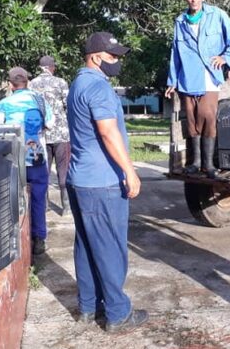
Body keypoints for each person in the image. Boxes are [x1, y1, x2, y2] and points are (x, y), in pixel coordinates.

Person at [66, 32, 148, 333]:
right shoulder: (98, 87)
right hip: (102, 181)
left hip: (79, 179)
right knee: (111, 247)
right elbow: (107, 132)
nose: (117, 61)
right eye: (112, 56)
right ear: (95, 56)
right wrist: (129, 169)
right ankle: (118, 314)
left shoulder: (78, 84)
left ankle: (88, 307)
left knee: (87, 246)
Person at [164, 0, 230, 178]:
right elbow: (175, 52)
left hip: (209, 75)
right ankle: (195, 162)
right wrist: (172, 80)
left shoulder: (216, 15)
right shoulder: (180, 21)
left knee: (207, 116)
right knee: (191, 119)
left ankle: (208, 165)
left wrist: (225, 58)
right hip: (187, 78)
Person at [0, 66, 53, 256]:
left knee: (11, 198)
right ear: (27, 81)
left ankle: (13, 239)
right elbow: (50, 124)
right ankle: (39, 239)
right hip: (36, 157)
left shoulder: (4, 104)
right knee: (38, 198)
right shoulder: (40, 101)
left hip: (11, 159)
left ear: (11, 85)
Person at [28, 55, 72, 216]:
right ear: (51, 67)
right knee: (64, 169)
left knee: (42, 171)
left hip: (40, 135)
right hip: (61, 134)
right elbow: (68, 106)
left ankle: (43, 206)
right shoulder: (61, 82)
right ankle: (66, 208)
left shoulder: (31, 84)